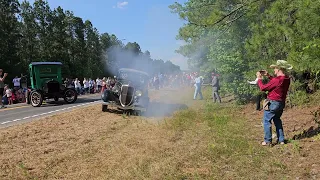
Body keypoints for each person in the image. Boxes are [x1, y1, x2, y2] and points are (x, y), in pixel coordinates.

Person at [256, 60, 292, 146]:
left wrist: (259, 79)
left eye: (275, 68)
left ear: (279, 69)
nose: (274, 70)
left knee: (266, 121)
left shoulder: (277, 79)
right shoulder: (286, 78)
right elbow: (277, 82)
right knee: (277, 120)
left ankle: (268, 141)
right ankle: (281, 140)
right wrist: (268, 75)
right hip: (281, 103)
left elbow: (263, 88)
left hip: (273, 103)